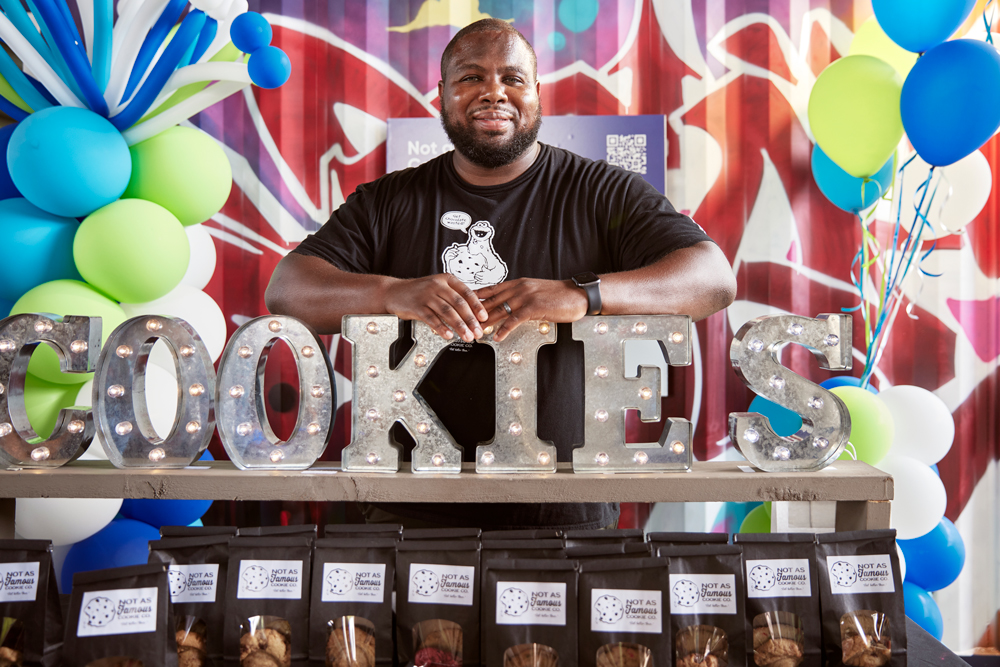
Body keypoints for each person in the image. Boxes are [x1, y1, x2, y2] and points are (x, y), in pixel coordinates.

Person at [265, 19, 737, 530]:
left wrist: (583, 295)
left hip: (562, 507)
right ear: (442, 95)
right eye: (471, 78)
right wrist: (392, 292)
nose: (494, 92)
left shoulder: (603, 192)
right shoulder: (388, 201)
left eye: (512, 78)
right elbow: (289, 290)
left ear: (537, 93)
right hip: (409, 505)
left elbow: (712, 279)